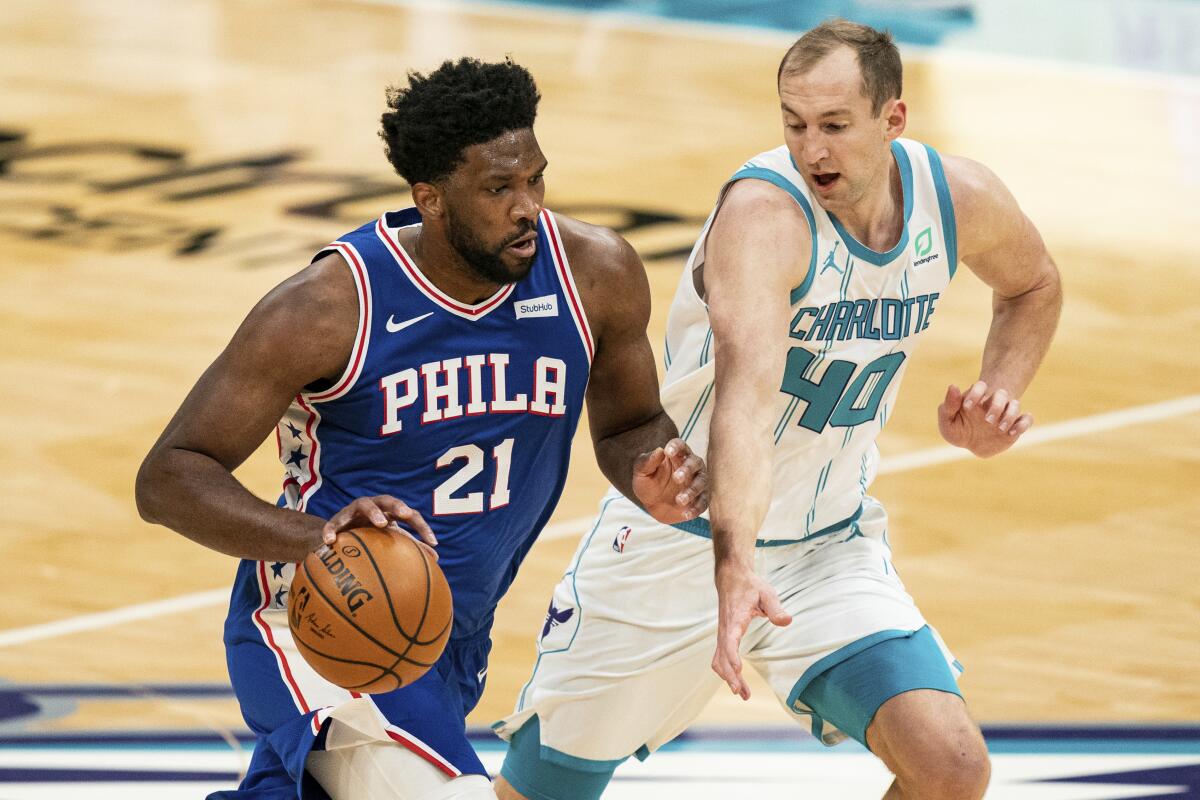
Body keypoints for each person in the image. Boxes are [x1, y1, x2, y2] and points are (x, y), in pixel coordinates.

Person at [494, 19, 1062, 800]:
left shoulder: (957, 196)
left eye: (835, 126)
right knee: (539, 794)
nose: (812, 149)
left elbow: (1032, 283)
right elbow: (747, 406)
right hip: (684, 541)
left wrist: (1001, 389)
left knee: (951, 769)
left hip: (828, 545)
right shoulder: (765, 219)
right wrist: (734, 565)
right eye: (795, 124)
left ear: (893, 120)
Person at [135, 57, 707, 800]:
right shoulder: (330, 306)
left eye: (535, 178)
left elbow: (629, 423)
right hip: (317, 617)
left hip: (447, 635)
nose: (527, 206)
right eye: (498, 189)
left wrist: (650, 474)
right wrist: (314, 538)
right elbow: (169, 475)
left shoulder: (593, 272)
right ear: (431, 199)